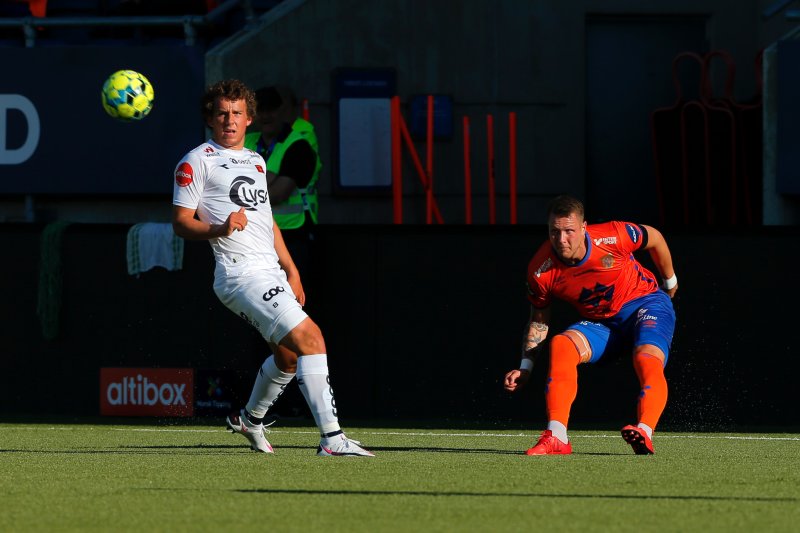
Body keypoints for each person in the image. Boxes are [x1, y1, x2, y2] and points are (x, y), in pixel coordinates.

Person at [171, 79, 373, 457]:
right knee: (312, 338)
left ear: (249, 118)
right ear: (210, 119)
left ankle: (250, 419)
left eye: (237, 113)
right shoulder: (196, 160)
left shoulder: (256, 160)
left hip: (269, 270)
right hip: (239, 274)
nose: (229, 120)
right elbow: (181, 222)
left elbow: (267, 220)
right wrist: (219, 228)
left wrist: (291, 270)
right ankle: (332, 439)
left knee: (289, 357)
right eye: (221, 114)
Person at [503, 195, 677, 455]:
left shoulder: (613, 235)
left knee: (646, 358)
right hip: (602, 324)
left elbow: (655, 237)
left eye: (569, 231)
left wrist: (670, 280)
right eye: (554, 232)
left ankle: (644, 430)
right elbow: (539, 320)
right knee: (562, 344)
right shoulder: (540, 271)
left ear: (584, 227)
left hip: (646, 304)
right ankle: (557, 436)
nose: (561, 240)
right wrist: (525, 367)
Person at [243, 86, 322, 419]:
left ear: (286, 111)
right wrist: (264, 181)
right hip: (256, 243)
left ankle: (299, 404)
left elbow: (275, 194)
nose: (267, 115)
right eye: (261, 109)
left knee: (295, 324)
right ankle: (265, 404)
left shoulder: (299, 143)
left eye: (273, 109)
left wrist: (250, 184)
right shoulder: (248, 143)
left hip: (294, 240)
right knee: (265, 326)